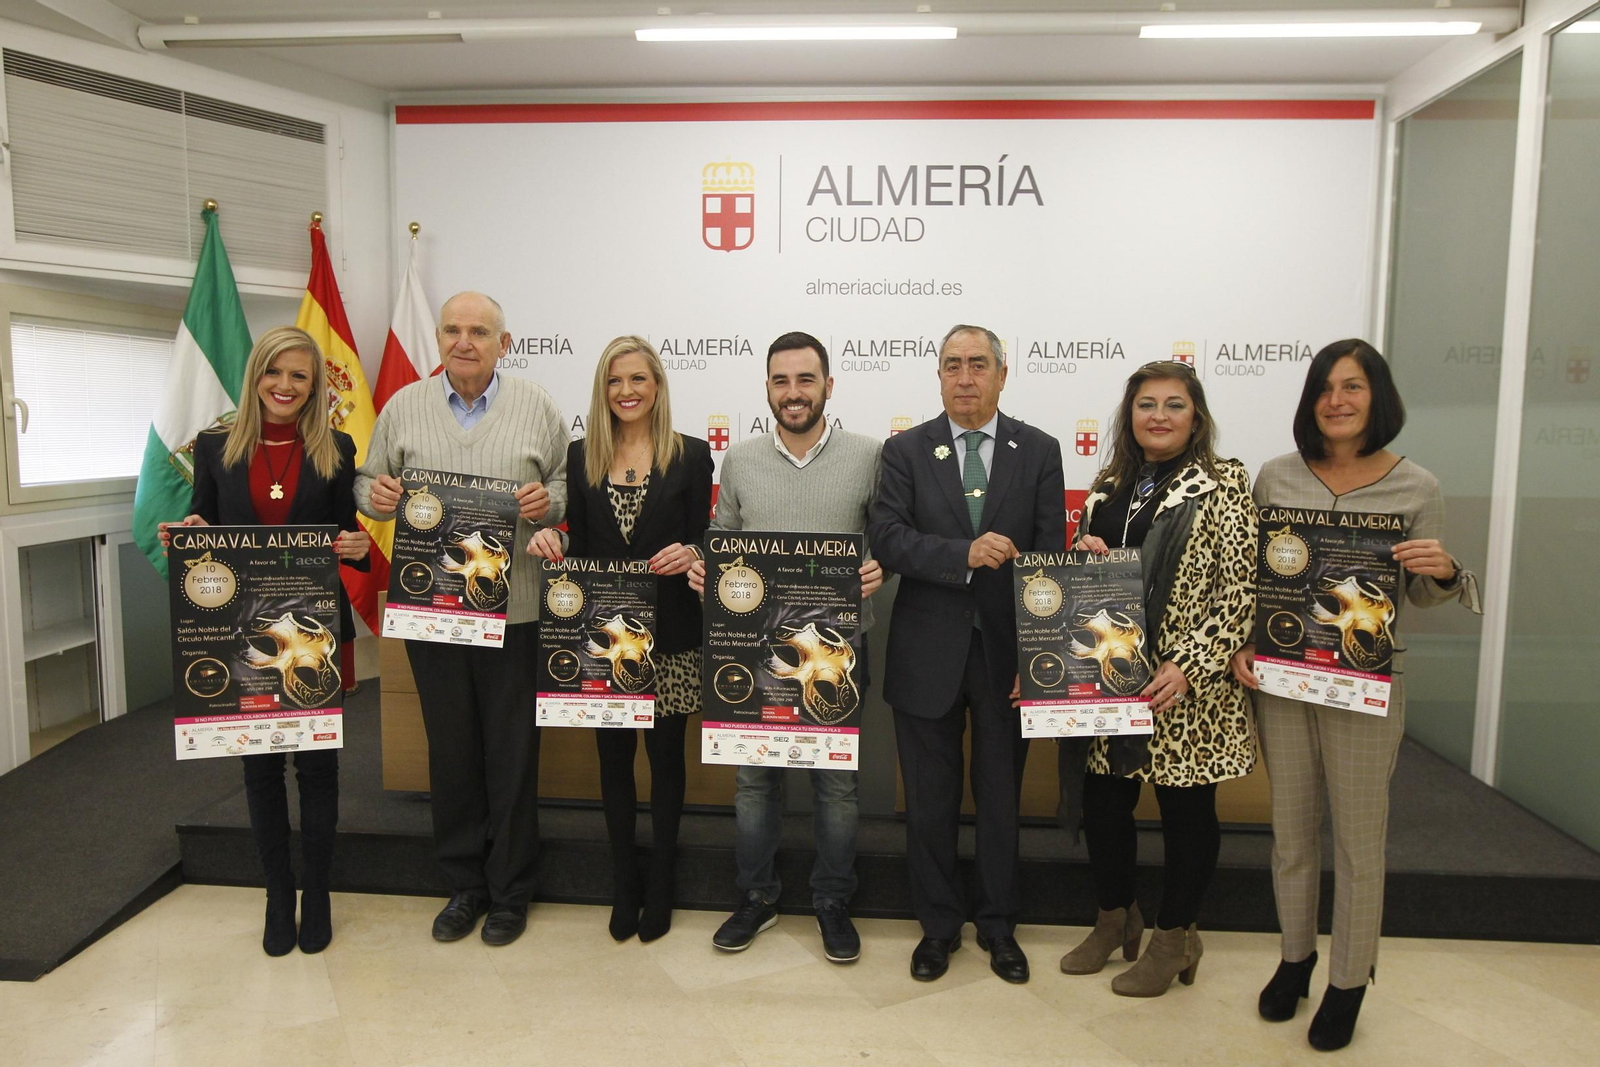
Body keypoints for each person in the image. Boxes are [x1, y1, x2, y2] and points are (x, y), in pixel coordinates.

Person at [1232, 340, 1480, 1051]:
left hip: (1366, 687)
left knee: (1360, 841)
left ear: (1378, 398)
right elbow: (1257, 581)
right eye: (1324, 389)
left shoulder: (1417, 486)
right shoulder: (1274, 477)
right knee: (1291, 832)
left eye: (1353, 387)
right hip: (1284, 678)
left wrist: (1447, 570)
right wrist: (1246, 643)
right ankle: (1295, 957)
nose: (1336, 400)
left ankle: (1347, 980)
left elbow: (1425, 598)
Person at [355, 291, 568, 947]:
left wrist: (547, 502)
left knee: (511, 755)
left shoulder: (537, 407)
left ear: (505, 343)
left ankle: (509, 891)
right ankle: (464, 885)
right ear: (439, 339)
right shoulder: (403, 407)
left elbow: (566, 488)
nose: (464, 341)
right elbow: (367, 484)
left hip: (518, 613)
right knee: (451, 752)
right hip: (435, 614)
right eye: (453, 329)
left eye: (480, 331)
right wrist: (379, 495)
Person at [159, 325, 371, 956]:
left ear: (313, 387)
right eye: (274, 372)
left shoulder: (336, 445)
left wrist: (356, 548)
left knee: (318, 769)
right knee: (259, 768)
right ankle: (278, 896)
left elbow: (346, 535)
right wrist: (189, 532)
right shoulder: (216, 445)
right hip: (243, 631)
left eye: (299, 376)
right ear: (255, 377)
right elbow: (202, 520)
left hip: (312, 630)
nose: (285, 385)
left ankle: (319, 894)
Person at [868, 324, 1065, 984]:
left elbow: (1048, 561)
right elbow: (889, 539)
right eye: (952, 365)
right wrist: (962, 553)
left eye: (978, 364)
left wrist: (1038, 658)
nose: (965, 376)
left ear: (1002, 375)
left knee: (1001, 796)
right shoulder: (904, 449)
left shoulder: (1038, 449)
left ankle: (1000, 925)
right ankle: (938, 927)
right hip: (926, 653)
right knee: (929, 800)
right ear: (939, 375)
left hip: (1010, 657)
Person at [1058, 359, 1257, 997]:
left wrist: (1190, 665)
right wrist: (1084, 558)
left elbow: (1241, 590)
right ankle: (1116, 918)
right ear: (1130, 415)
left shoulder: (1224, 484)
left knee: (1185, 811)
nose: (1160, 416)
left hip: (1183, 683)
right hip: (1112, 677)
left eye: (1174, 404)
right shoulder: (1108, 485)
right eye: (1147, 404)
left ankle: (1176, 937)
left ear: (1195, 415)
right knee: (1104, 803)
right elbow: (1088, 587)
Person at [686, 331, 884, 963]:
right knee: (754, 783)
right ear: (767, 388)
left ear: (829, 386)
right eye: (780, 381)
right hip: (755, 651)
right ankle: (757, 897)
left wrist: (878, 566)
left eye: (805, 380)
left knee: (836, 788)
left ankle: (832, 899)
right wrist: (706, 569)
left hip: (839, 653)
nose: (793, 393)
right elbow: (722, 537)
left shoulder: (870, 455)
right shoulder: (740, 460)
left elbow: (890, 537)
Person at [527, 336, 711, 943]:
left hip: (672, 637)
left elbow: (709, 538)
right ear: (602, 391)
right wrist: (553, 540)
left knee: (664, 762)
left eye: (638, 379)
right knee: (611, 762)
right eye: (614, 381)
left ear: (658, 385)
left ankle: (660, 883)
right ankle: (623, 883)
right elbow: (577, 542)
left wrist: (694, 551)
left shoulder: (691, 455)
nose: (626, 391)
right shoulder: (582, 456)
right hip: (602, 638)